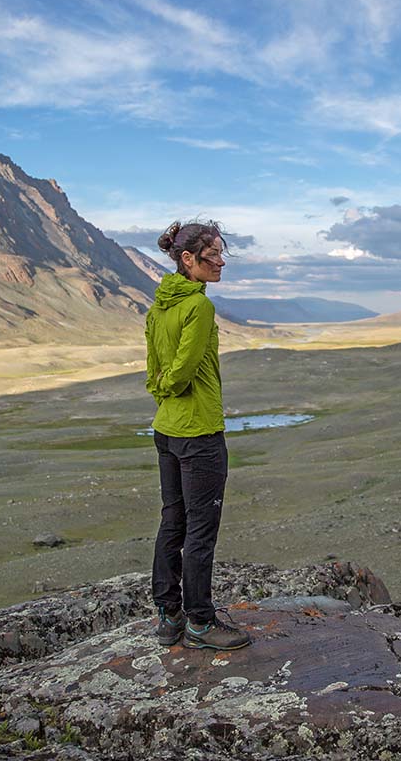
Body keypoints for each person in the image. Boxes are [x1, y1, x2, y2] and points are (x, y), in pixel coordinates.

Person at [145, 219, 251, 651]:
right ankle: (201, 624)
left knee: (173, 521)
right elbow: (181, 370)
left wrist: (162, 393)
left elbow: (153, 370)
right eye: (213, 255)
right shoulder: (199, 307)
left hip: (166, 429)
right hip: (200, 433)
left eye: (222, 253)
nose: (221, 261)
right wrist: (170, 387)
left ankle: (169, 617)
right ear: (188, 259)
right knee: (200, 531)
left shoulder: (159, 306)